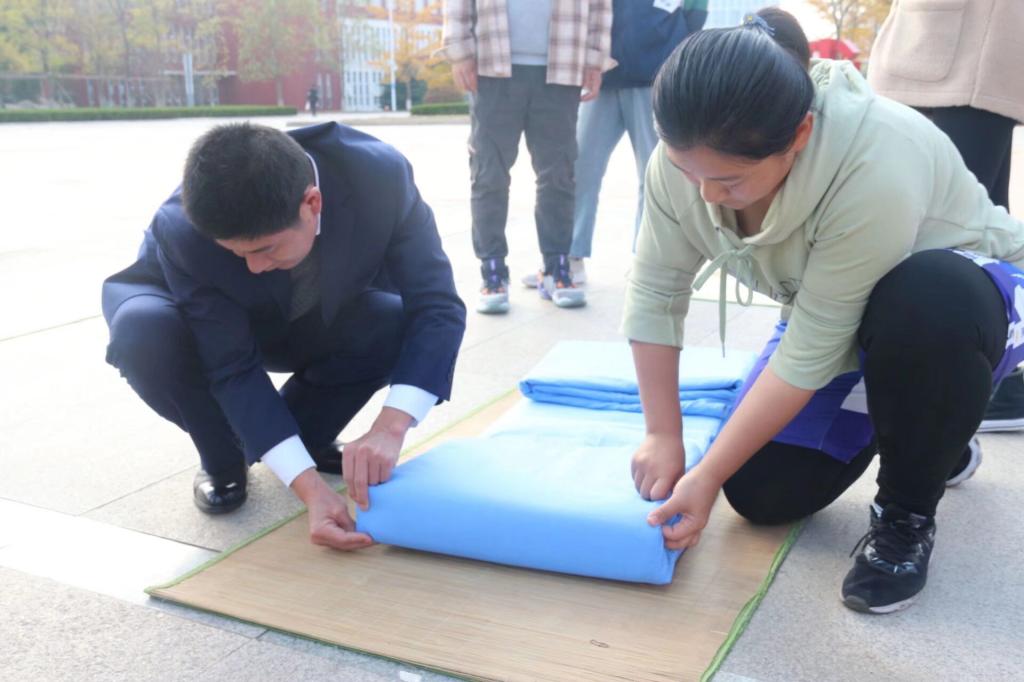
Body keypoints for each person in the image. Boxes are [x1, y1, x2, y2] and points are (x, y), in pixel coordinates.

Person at [623, 26, 1024, 614]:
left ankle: (908, 509)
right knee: (761, 491)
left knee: (926, 297)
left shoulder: (875, 161)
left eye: (728, 181)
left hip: (968, 304)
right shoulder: (682, 157)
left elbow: (810, 351)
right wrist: (663, 433)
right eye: (689, 173)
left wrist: (702, 476)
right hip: (845, 316)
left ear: (800, 136)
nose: (705, 196)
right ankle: (933, 431)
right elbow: (656, 292)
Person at [101, 122, 466, 551]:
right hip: (188, 323)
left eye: (264, 249)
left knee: (392, 321)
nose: (253, 266)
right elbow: (231, 364)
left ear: (312, 203)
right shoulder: (182, 227)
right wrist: (311, 492)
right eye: (236, 252)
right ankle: (223, 457)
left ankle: (301, 438)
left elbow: (437, 304)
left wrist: (390, 427)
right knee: (143, 333)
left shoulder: (379, 176)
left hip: (312, 310)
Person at [868, 0, 1024, 433]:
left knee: (952, 225)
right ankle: (998, 381)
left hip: (967, 48)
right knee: (975, 221)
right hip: (952, 44)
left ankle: (973, 387)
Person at [521, 0, 707, 290]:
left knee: (656, 176)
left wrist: (674, 64)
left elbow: (695, 17)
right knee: (578, 169)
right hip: (601, 79)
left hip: (656, 80)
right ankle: (567, 259)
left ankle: (648, 263)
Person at [441, 0, 613, 313]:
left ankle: (557, 267)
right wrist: (460, 52)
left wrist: (594, 59)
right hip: (492, 64)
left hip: (563, 64)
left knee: (559, 175)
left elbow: (600, 6)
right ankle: (492, 272)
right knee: (489, 174)